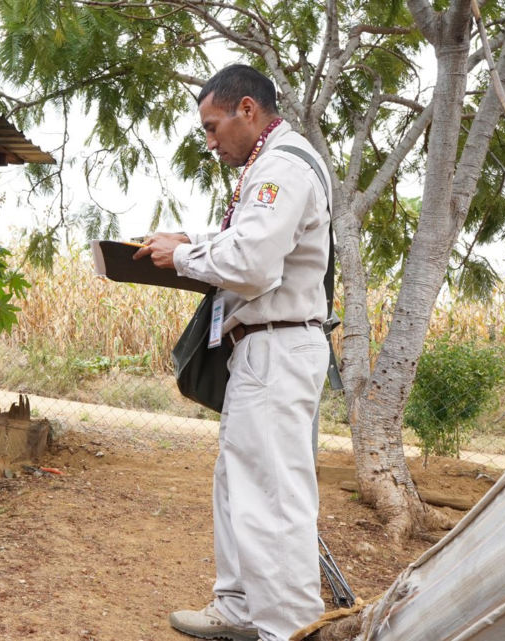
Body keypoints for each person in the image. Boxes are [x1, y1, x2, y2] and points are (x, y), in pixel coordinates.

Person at [134, 65, 331, 641]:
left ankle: (288, 628)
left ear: (248, 110)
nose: (210, 141)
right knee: (240, 484)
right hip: (262, 347)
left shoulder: (281, 168)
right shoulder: (267, 165)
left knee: (271, 494)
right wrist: (191, 241)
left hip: (278, 344)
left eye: (214, 126)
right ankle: (241, 605)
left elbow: (251, 265)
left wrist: (184, 259)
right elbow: (252, 243)